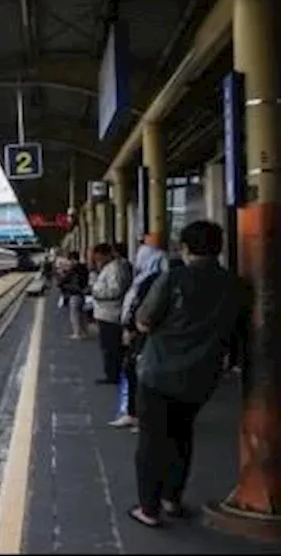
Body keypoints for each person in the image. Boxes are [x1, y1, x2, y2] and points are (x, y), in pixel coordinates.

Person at [128, 221, 244, 528]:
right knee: (182, 438)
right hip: (201, 378)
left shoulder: (173, 278)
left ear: (185, 247)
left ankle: (148, 509)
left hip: (159, 375)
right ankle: (172, 499)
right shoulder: (234, 284)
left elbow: (144, 321)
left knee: (152, 443)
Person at [112, 237, 169, 429]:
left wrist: (131, 328)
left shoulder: (153, 281)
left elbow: (143, 308)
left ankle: (141, 415)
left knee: (137, 372)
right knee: (133, 371)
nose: (138, 259)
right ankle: (134, 413)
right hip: (144, 333)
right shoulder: (150, 277)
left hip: (143, 334)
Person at [91, 243, 132, 385]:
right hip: (107, 313)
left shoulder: (114, 268)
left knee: (110, 347)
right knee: (110, 346)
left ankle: (112, 376)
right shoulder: (113, 267)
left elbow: (115, 290)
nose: (97, 259)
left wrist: (96, 293)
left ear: (106, 254)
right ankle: (113, 374)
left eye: (99, 256)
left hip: (110, 314)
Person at [59, 251, 90, 339]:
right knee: (83, 314)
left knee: (74, 314)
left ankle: (77, 333)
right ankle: (85, 332)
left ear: (72, 259)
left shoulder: (73, 270)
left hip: (74, 294)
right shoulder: (84, 268)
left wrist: (62, 279)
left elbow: (63, 281)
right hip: (83, 294)